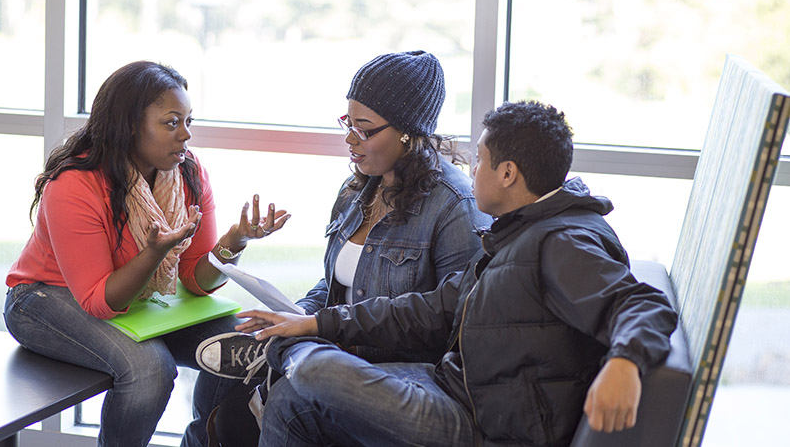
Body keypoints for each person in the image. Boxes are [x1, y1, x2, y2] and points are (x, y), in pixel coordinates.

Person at [199, 100, 679, 446]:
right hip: (455, 386)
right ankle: (288, 352)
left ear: (508, 173)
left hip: (482, 424)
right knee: (292, 402)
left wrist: (625, 363)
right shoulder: (521, 232)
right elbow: (433, 305)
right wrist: (317, 321)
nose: (472, 174)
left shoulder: (562, 241)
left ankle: (280, 354)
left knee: (318, 369)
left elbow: (642, 304)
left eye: (480, 162)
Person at [200, 50, 492, 445]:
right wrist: (297, 315)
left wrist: (318, 329)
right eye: (347, 124)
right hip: (341, 349)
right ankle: (282, 350)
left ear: (408, 131)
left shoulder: (455, 206)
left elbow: (452, 324)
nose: (350, 140)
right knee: (220, 397)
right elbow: (335, 286)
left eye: (364, 129)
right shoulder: (358, 190)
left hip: (402, 375)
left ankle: (282, 355)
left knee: (287, 397)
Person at [4, 60, 290, 447]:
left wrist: (235, 240)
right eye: (172, 123)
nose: (185, 135)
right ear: (129, 126)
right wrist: (156, 252)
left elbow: (195, 280)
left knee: (249, 348)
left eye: (189, 121)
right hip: (43, 298)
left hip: (136, 298)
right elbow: (100, 301)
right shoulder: (75, 185)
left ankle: (200, 441)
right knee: (150, 369)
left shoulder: (188, 173)